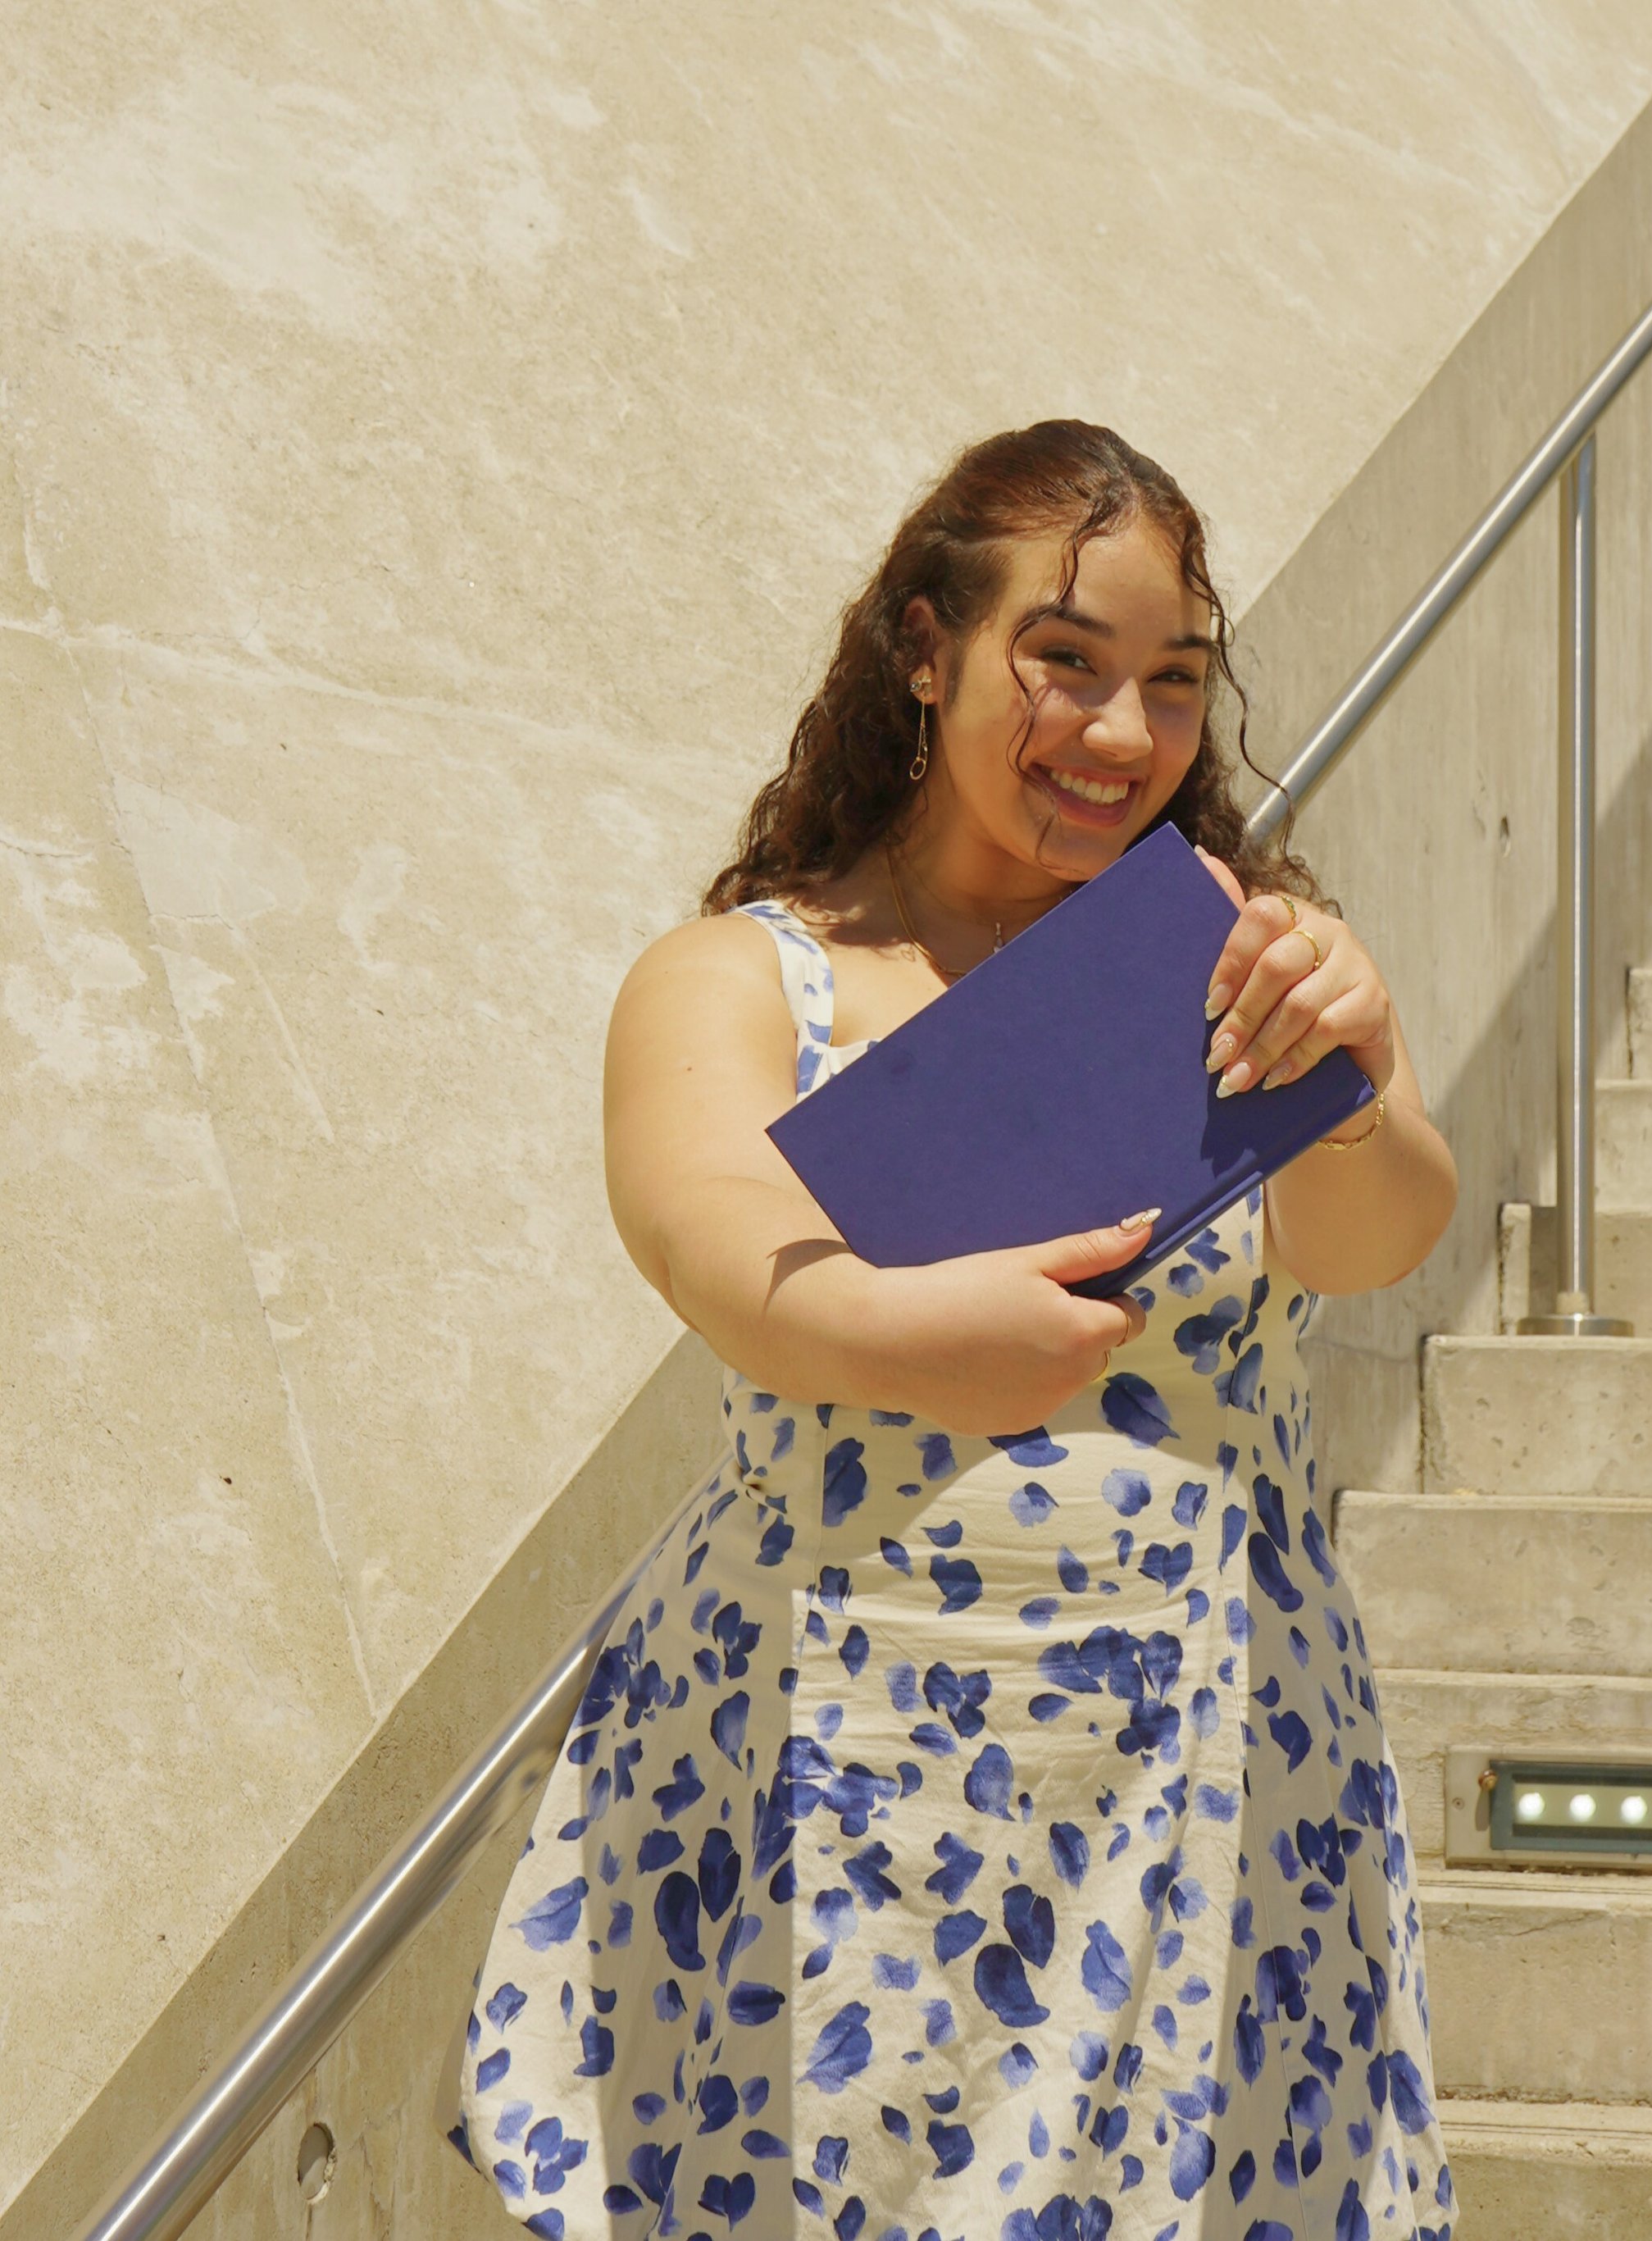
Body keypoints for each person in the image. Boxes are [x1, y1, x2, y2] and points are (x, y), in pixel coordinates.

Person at [447, 421, 1460, 2241]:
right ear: (925, 649)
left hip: (1212, 1746)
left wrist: (1358, 1069)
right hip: (846, 1756)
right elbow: (709, 1231)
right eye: (1061, 662)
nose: (1119, 734)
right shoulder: (749, 972)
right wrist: (902, 1337)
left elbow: (1374, 1237)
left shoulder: (1228, 953)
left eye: (1169, 683)